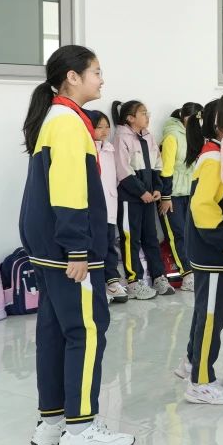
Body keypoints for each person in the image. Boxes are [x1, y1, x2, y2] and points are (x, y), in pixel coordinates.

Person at [21, 45, 135, 445]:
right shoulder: (69, 123)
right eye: (96, 72)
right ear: (72, 77)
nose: (102, 80)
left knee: (55, 332)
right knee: (86, 331)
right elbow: (69, 190)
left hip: (47, 246)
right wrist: (77, 249)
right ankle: (81, 428)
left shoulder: (55, 118)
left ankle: (53, 421)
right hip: (67, 248)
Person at [180, 100, 223, 406]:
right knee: (212, 316)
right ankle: (201, 381)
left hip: (207, 250)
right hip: (212, 251)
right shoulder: (215, 158)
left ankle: (192, 362)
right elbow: (203, 206)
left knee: (206, 311)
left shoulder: (213, 152)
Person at [111, 99, 168, 299]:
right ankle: (134, 281)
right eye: (143, 113)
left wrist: (157, 188)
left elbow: (157, 164)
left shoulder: (148, 137)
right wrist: (141, 192)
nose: (147, 116)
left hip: (149, 197)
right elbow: (123, 170)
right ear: (130, 118)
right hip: (131, 198)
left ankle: (158, 276)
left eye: (147, 112)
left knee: (151, 237)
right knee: (131, 239)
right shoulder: (121, 137)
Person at [160, 102, 203, 290]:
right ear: (185, 117)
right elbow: (166, 169)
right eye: (195, 118)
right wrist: (166, 196)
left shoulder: (196, 135)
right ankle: (187, 274)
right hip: (173, 194)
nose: (198, 122)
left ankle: (196, 270)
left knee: (192, 233)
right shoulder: (172, 136)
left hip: (190, 192)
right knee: (177, 234)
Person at [86, 111, 127, 303]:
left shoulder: (110, 149)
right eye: (99, 127)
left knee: (109, 245)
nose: (104, 131)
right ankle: (96, 286)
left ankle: (112, 282)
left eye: (106, 127)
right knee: (95, 247)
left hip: (110, 206)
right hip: (92, 208)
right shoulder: (86, 148)